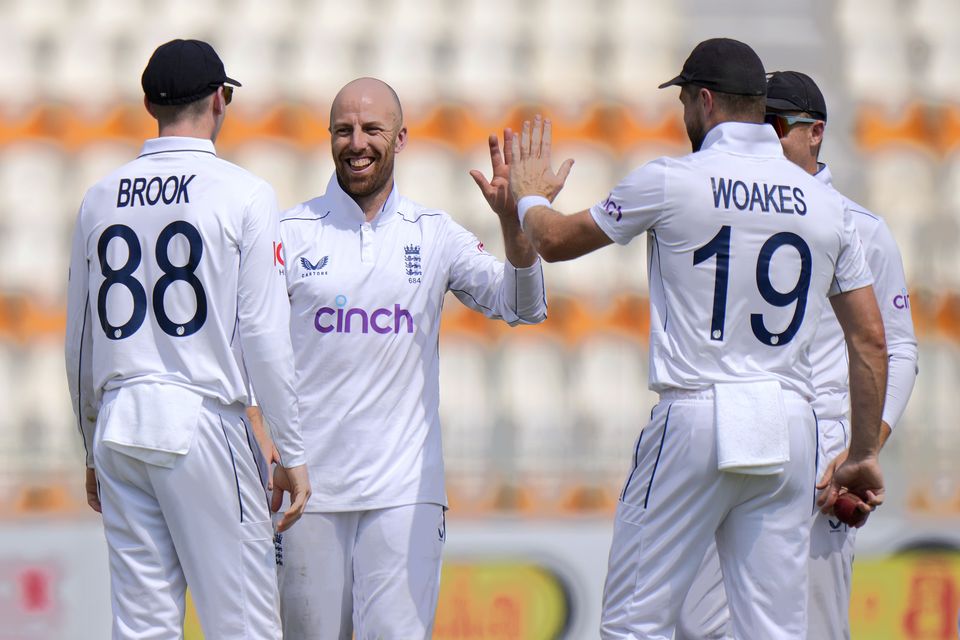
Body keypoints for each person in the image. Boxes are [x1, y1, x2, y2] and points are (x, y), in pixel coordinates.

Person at [508, 38, 888, 639]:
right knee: (775, 631)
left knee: (635, 622)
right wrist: (863, 453)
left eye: (685, 99)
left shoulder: (671, 180)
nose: (685, 113)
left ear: (705, 100)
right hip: (789, 422)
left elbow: (554, 241)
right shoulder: (824, 203)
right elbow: (869, 340)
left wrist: (525, 195)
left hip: (697, 412)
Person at [270, 77, 548, 639]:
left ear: (400, 139)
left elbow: (522, 307)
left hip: (404, 495)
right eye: (344, 130)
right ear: (328, 138)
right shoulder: (289, 233)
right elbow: (250, 347)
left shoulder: (435, 233)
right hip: (308, 493)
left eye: (372, 129)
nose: (357, 142)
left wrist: (514, 227)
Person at [64, 39, 311, 639]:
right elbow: (263, 332)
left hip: (121, 421)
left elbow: (79, 338)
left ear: (149, 102)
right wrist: (293, 450)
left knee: (143, 627)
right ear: (221, 100)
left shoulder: (100, 197)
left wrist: (92, 444)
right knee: (245, 625)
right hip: (200, 419)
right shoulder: (244, 193)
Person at [675, 70, 919, 640]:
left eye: (779, 124)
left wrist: (864, 447)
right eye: (760, 123)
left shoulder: (861, 228)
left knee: (816, 623)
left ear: (817, 134)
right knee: (694, 619)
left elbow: (899, 345)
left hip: (826, 445)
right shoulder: (729, 210)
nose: (766, 135)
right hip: (744, 428)